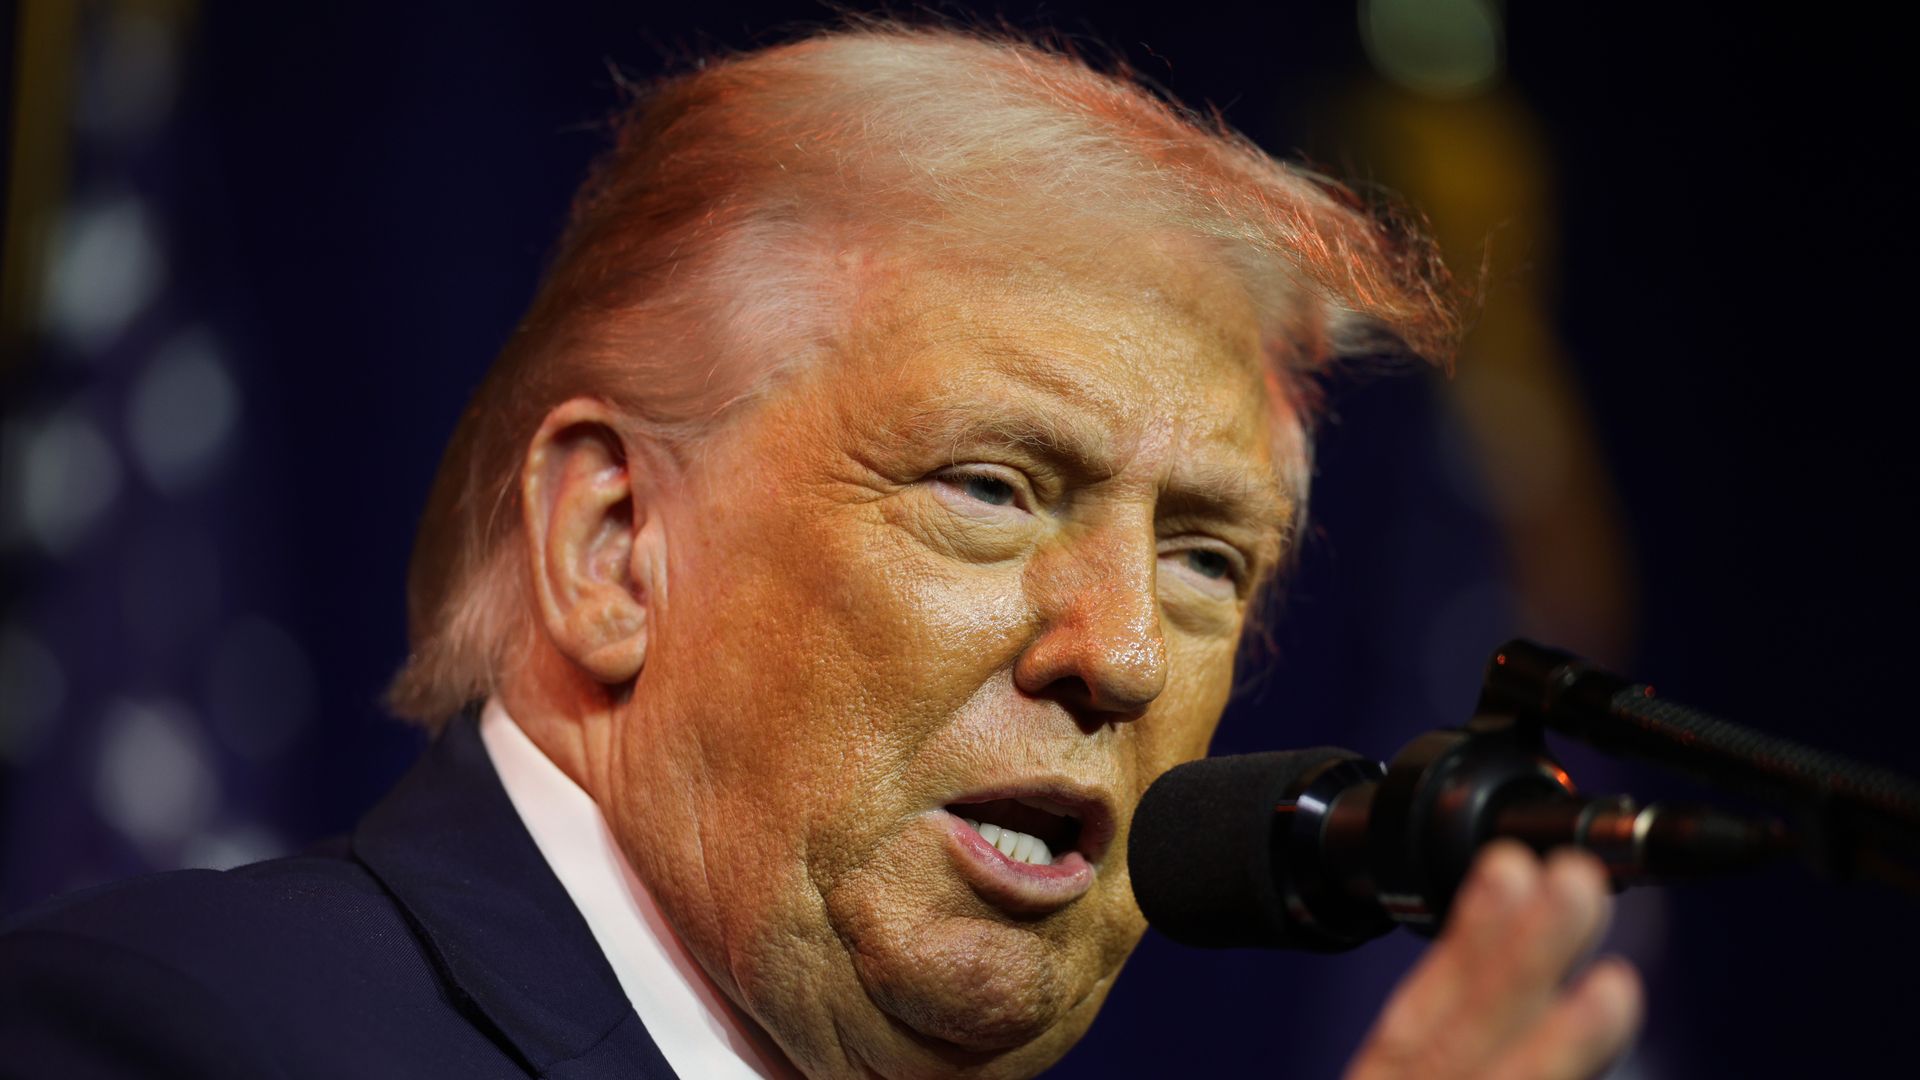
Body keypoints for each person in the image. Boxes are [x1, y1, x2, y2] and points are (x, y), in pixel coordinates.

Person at [0, 25, 1641, 1079]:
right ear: (612, 548)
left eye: (1210, 558)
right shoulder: (180, 1032)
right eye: (993, 488)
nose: (1127, 649)